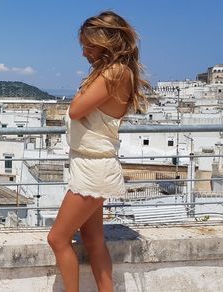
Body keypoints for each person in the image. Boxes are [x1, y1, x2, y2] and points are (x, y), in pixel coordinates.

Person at [47, 11, 151, 292]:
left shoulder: (115, 72)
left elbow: (76, 109)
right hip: (91, 165)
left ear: (107, 43)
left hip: (93, 168)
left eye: (89, 46)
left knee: (57, 239)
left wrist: (84, 86)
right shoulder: (114, 72)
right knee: (93, 240)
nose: (84, 52)